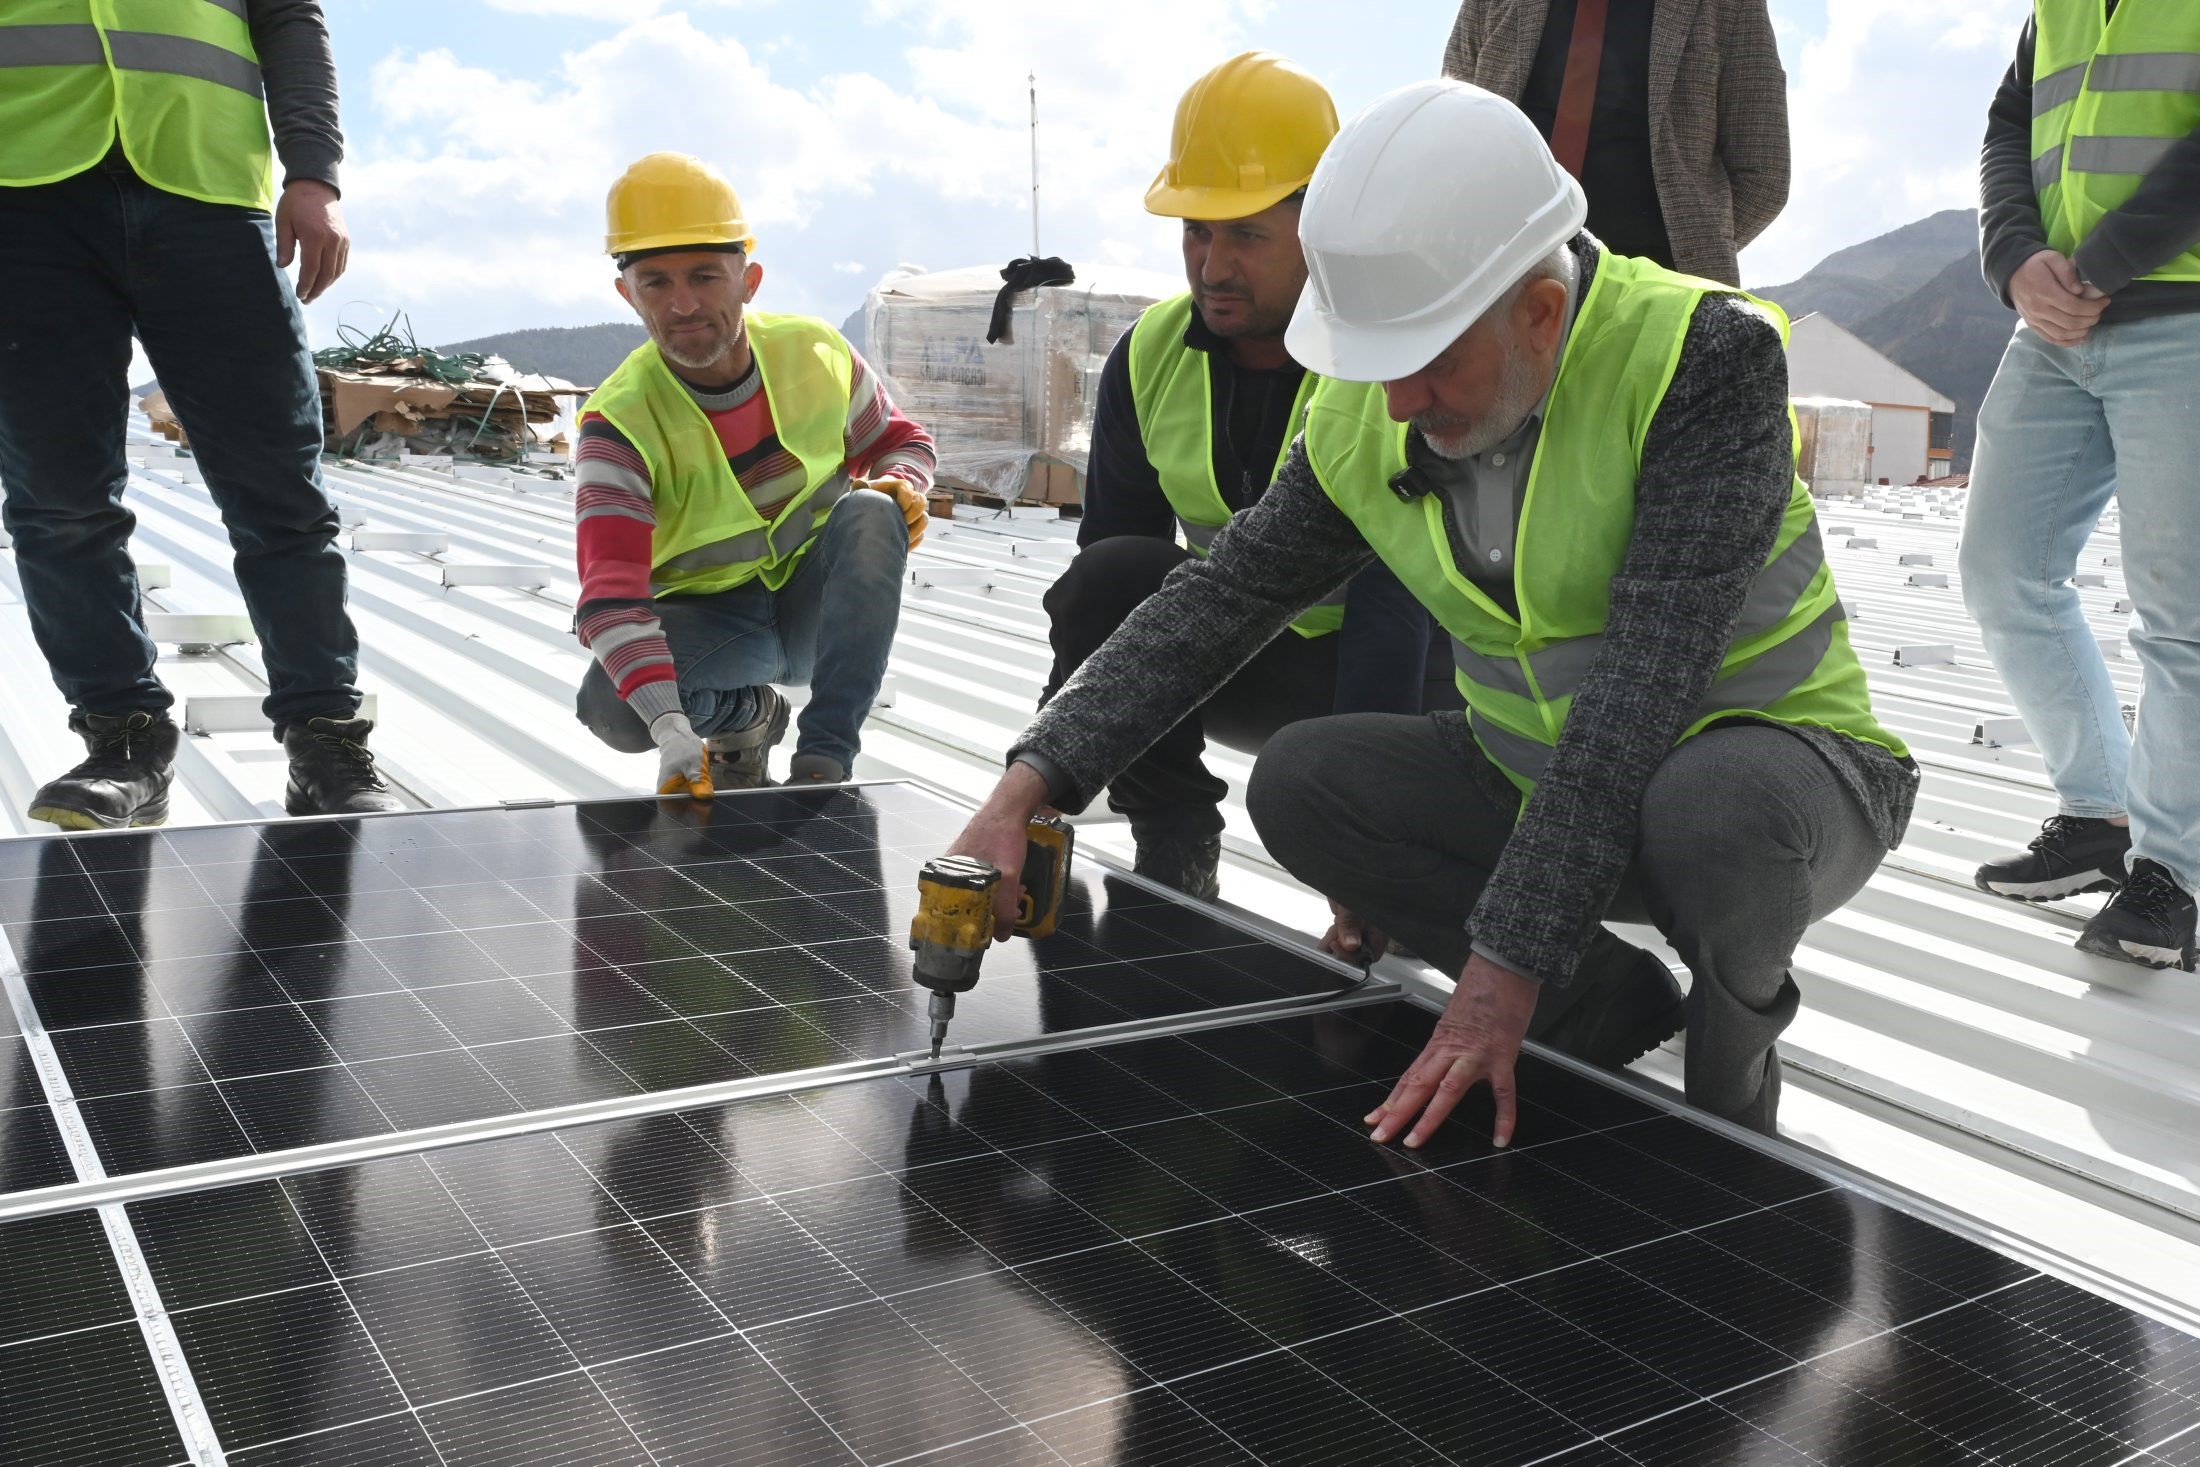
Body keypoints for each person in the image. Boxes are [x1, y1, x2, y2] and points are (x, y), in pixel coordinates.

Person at [942, 81, 1916, 1144]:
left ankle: (1729, 1116)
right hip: (1539, 781)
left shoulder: (1698, 363)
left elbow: (1639, 692)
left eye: (1427, 363)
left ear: (1539, 315)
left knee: (1710, 805)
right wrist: (1022, 791)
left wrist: (1497, 972)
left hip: (1771, 788)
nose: (1397, 404)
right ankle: (1598, 1006)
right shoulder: (1373, 400)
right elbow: (1217, 602)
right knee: (1310, 780)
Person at [1046, 52, 1454, 900]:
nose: (1212, 265)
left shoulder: (1381, 360)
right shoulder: (1151, 354)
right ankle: (1176, 833)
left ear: (1320, 228)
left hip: (1405, 680)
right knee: (1111, 575)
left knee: (1414, 636)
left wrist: (1361, 861)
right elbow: (1106, 589)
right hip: (1241, 656)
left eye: (1246, 235)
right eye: (1196, 231)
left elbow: (1394, 600)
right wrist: (1042, 785)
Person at [0, 0, 404, 828]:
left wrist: (314, 171)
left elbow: (289, 16)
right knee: (56, 497)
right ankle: (125, 740)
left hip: (208, 187)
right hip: (21, 194)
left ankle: (324, 737)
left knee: (279, 491)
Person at [572, 153, 934, 795]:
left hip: (816, 610)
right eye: (655, 282)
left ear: (749, 280)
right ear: (627, 294)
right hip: (717, 627)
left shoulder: (814, 353)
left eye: (705, 277)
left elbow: (899, 441)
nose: (683, 305)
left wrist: (901, 481)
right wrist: (672, 729)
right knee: (612, 707)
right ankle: (750, 718)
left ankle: (823, 760)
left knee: (873, 512)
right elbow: (611, 597)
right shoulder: (618, 424)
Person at [1962, 1, 2200, 972]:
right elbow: (2005, 130)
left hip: (2179, 313)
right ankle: (2098, 812)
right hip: (2053, 333)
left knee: (2179, 617)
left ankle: (2172, 875)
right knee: (2000, 571)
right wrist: (2013, 259)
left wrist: (2096, 268)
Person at [1441, 0, 1789, 285]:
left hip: (1661, 289)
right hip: (1503, 275)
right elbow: (1453, 127)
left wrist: (1690, 243)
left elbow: (1763, 175)